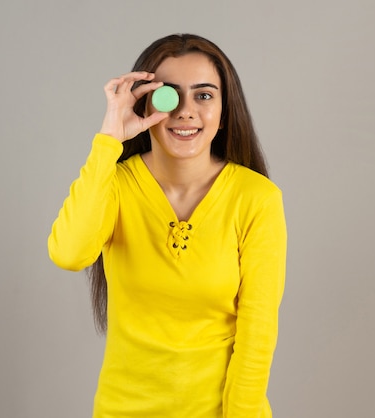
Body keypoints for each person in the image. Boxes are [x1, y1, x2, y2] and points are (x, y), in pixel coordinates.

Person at [48, 33, 287, 418]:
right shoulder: (115, 185)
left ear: (225, 110)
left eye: (204, 95)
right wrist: (108, 139)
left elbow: (258, 332)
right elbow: (69, 253)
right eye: (170, 95)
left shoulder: (257, 197)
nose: (186, 111)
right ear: (145, 103)